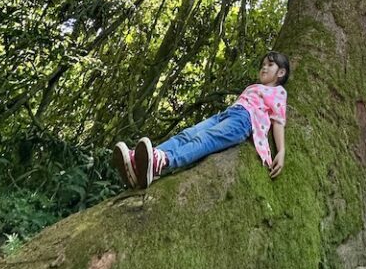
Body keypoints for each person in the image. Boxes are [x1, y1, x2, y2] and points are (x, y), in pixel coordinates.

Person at [112, 51, 289, 189]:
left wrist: (281, 151)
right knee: (186, 134)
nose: (264, 67)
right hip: (228, 114)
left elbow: (278, 121)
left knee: (205, 138)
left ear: (281, 72)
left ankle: (164, 161)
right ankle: (140, 163)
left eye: (270, 65)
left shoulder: (279, 92)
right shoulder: (255, 86)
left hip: (244, 121)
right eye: (263, 64)